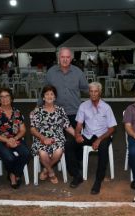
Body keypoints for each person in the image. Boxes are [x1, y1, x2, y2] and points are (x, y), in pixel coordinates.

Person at [43, 47, 89, 185]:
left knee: (76, 142)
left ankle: (76, 165)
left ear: (71, 58)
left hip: (75, 113)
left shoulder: (78, 72)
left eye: (67, 57)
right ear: (58, 58)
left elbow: (86, 89)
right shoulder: (51, 72)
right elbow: (44, 91)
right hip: (56, 115)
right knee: (64, 144)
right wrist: (38, 107)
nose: (65, 59)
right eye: (62, 57)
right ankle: (73, 171)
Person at [72, 82, 117, 194]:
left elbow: (112, 128)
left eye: (95, 91)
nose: (93, 94)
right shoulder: (83, 106)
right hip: (87, 135)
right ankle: (77, 175)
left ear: (100, 92)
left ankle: (98, 180)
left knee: (103, 148)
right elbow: (79, 125)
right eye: (91, 91)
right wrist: (77, 134)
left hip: (103, 135)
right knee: (68, 145)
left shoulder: (106, 107)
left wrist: (99, 139)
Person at [30, 85, 75, 184]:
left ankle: (46, 169)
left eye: (52, 94)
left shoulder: (60, 110)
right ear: (43, 97)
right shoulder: (37, 111)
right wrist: (43, 138)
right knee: (42, 153)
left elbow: (67, 126)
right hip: (41, 137)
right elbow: (32, 129)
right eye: (47, 94)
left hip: (57, 137)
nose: (49, 96)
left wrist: (77, 135)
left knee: (58, 151)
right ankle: (51, 172)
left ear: (55, 97)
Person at [0, 88, 31, 189]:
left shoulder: (17, 112)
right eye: (1, 97)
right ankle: (14, 175)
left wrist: (14, 139)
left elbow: (23, 130)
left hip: (15, 138)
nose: (4, 99)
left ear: (11, 98)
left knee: (27, 154)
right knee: (9, 157)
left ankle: (14, 173)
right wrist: (7, 140)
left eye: (7, 96)